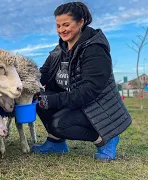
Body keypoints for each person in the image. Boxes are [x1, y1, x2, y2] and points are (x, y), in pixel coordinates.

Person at [32, 1, 132, 161]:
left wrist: (53, 100)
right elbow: (41, 74)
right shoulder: (59, 50)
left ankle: (105, 138)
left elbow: (89, 91)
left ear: (80, 22)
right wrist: (19, 85)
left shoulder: (95, 49)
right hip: (73, 101)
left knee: (61, 124)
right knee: (37, 99)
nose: (61, 30)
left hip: (96, 105)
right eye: (58, 25)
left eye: (66, 24)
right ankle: (56, 143)